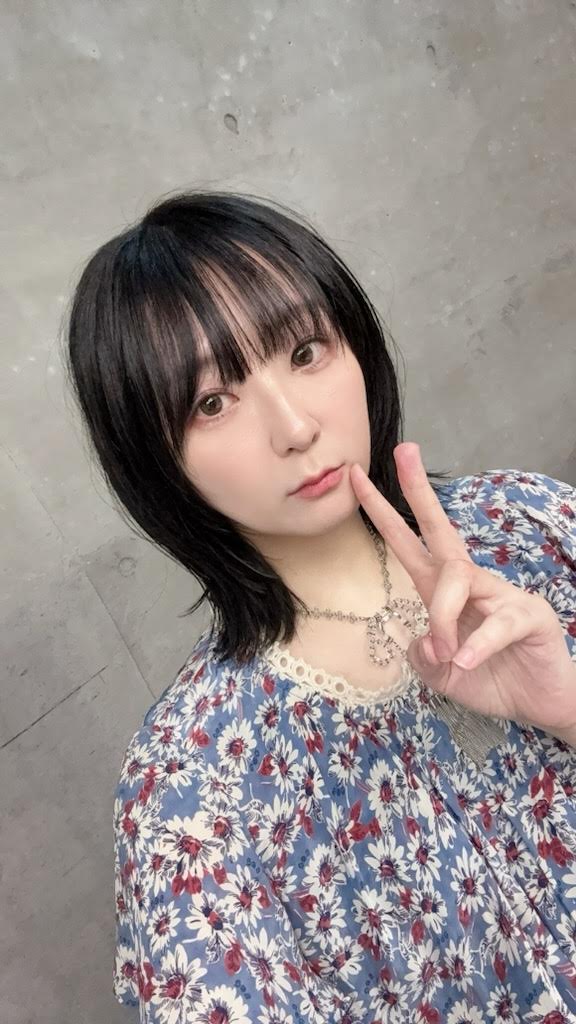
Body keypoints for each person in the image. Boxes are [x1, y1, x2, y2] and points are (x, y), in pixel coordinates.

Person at [64, 189, 576, 1024]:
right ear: (152, 457)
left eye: (305, 351)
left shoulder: (530, 525)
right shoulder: (191, 789)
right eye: (212, 402)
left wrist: (569, 710)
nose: (296, 426)